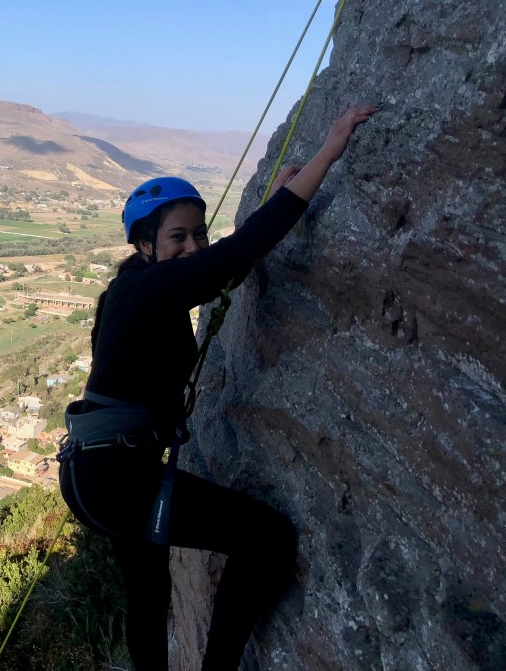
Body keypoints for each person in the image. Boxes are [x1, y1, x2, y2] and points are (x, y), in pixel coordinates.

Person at [57, 105, 378, 670]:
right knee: (266, 539)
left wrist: (268, 199)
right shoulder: (147, 291)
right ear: (145, 245)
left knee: (148, 591)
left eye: (198, 234)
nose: (193, 246)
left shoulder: (130, 289)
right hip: (115, 476)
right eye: (177, 236)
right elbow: (235, 255)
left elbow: (223, 266)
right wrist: (329, 150)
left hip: (99, 472)